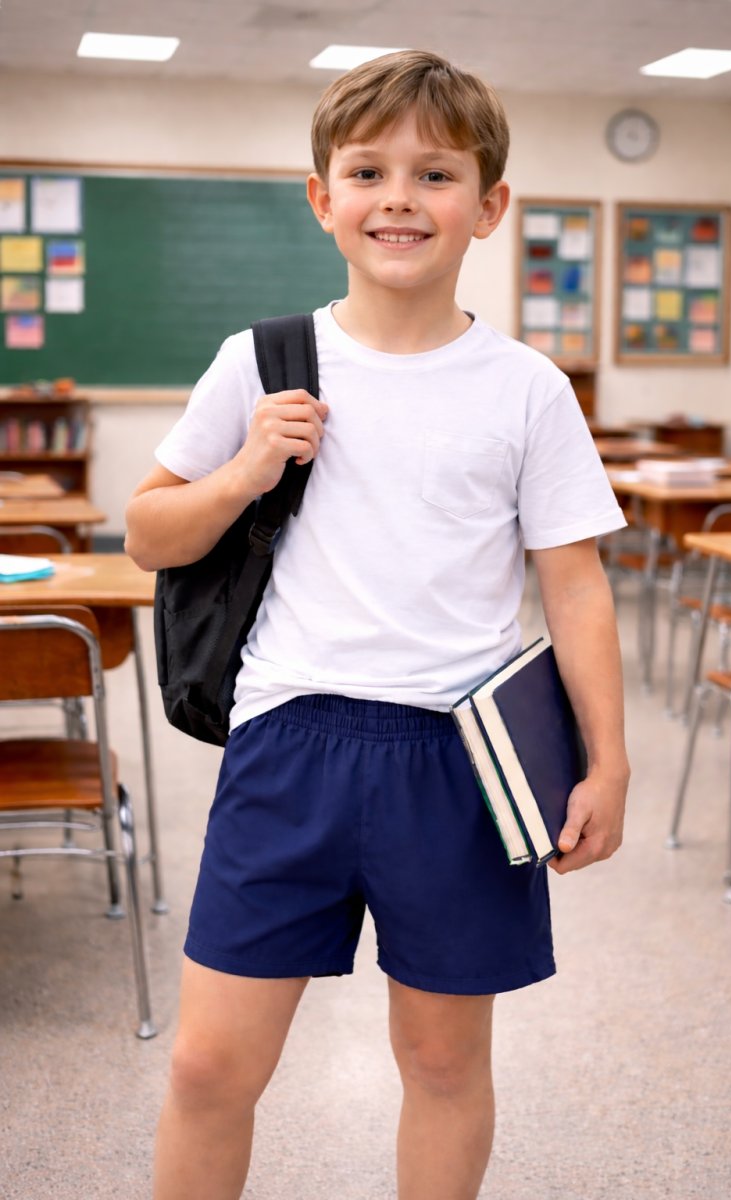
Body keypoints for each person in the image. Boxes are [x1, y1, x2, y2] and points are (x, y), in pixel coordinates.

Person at [125, 48, 630, 1200]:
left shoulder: (525, 390)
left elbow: (575, 584)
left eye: (435, 174)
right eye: (367, 171)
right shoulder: (257, 363)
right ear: (322, 199)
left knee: (443, 1061)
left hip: (459, 758)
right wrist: (247, 468)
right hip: (288, 743)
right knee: (209, 1065)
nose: (398, 197)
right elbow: (150, 535)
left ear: (488, 206)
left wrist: (607, 759)